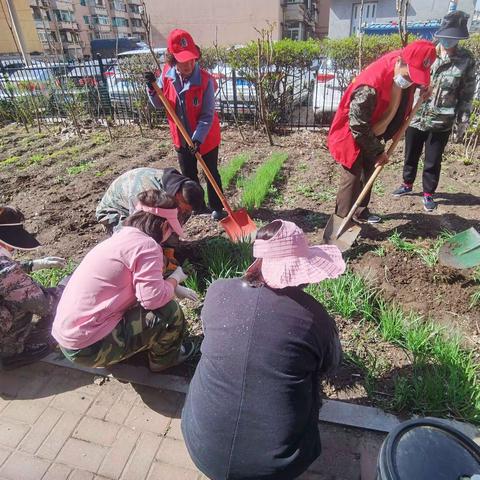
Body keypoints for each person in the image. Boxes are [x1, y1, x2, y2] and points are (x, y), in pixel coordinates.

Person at [181, 220, 346, 480]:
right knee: (311, 380)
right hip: (277, 466)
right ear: (301, 270)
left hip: (201, 447)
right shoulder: (315, 318)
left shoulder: (217, 291)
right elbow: (329, 365)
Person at [52, 190, 199, 373]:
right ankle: (164, 360)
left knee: (149, 304)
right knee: (169, 312)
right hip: (88, 348)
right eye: (171, 229)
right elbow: (152, 299)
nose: (170, 235)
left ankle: (122, 348)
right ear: (163, 225)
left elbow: (137, 284)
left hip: (69, 337)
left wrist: (171, 286)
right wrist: (175, 279)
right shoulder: (148, 246)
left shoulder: (123, 236)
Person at [328, 40, 437, 224]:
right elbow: (358, 126)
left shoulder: (404, 65)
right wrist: (378, 151)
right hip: (354, 131)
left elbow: (413, 77)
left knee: (370, 170)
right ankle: (342, 223)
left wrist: (421, 88)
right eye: (410, 76)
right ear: (401, 61)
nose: (411, 81)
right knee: (353, 177)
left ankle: (360, 211)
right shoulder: (369, 87)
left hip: (377, 126)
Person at [392, 11, 476, 212]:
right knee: (410, 153)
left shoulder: (466, 60)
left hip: (441, 119)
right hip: (417, 115)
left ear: (459, 39)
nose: (448, 42)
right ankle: (407, 184)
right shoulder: (427, 52)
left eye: (452, 38)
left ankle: (429, 193)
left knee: (433, 158)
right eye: (445, 37)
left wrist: (461, 122)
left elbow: (467, 94)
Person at [144, 29, 225, 221]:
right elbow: (158, 104)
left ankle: (217, 207)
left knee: (211, 172)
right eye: (182, 60)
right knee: (188, 175)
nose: (188, 64)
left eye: (192, 59)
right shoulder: (166, 77)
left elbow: (207, 115)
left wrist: (197, 139)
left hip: (205, 137)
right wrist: (151, 88)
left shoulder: (205, 81)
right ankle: (197, 207)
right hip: (180, 137)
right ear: (173, 60)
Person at [0, 206, 66, 369]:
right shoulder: (7, 272)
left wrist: (33, 265)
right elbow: (44, 305)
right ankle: (12, 352)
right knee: (18, 302)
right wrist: (67, 287)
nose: (13, 249)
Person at [96, 167, 205, 232]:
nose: (184, 213)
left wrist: (170, 249)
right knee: (133, 238)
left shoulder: (178, 190)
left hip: (135, 205)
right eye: (184, 209)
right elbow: (141, 225)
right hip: (114, 211)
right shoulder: (149, 194)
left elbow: (174, 223)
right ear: (177, 195)